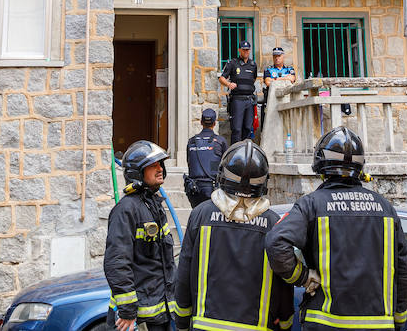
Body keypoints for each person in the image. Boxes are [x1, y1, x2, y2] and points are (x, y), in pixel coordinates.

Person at [265, 127, 407, 331]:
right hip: (378, 325)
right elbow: (404, 272)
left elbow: (276, 243)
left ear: (321, 165)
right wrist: (399, 319)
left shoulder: (311, 205)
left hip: (325, 324)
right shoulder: (386, 208)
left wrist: (303, 277)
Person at [172, 141, 294, 331]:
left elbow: (184, 274)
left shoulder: (201, 214)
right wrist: (285, 321)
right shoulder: (272, 222)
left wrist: (181, 322)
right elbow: (284, 278)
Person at [105, 140, 176, 331]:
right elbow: (117, 262)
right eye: (153, 165)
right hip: (137, 319)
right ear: (137, 172)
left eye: (160, 164)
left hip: (160, 314)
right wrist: (127, 312)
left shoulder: (153, 205)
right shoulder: (126, 210)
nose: (160, 169)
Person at [184, 108, 227, 208]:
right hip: (212, 189)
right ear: (214, 123)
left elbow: (189, 163)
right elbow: (226, 166)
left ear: (201, 122)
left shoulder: (192, 141)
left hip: (194, 189)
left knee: (198, 217)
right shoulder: (220, 141)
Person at [219, 40, 259, 143]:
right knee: (236, 129)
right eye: (244, 50)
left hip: (249, 100)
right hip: (237, 100)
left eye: (247, 50)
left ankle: (245, 153)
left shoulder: (253, 64)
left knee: (248, 128)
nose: (246, 52)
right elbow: (222, 78)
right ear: (239, 50)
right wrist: (229, 84)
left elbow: (253, 79)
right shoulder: (233, 63)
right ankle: (235, 153)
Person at [261, 47, 297, 133]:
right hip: (272, 100)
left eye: (279, 56)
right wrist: (285, 78)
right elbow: (268, 82)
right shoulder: (268, 69)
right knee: (271, 124)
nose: (277, 58)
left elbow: (292, 78)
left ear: (283, 56)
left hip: (287, 100)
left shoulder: (289, 69)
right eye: (275, 56)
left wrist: (276, 79)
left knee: (287, 124)